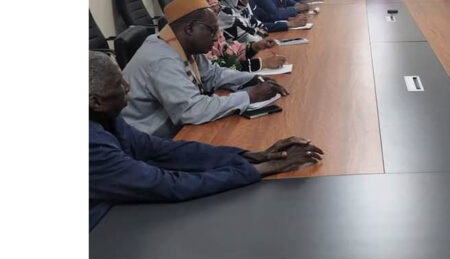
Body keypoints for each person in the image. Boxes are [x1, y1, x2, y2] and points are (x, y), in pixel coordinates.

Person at [89, 51, 323, 230]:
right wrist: (262, 169)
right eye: (118, 84)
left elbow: (163, 150)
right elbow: (166, 185)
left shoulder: (108, 119)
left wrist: (248, 155)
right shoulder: (91, 146)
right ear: (96, 102)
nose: (128, 86)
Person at [121, 0, 289, 138]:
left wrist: (251, 79)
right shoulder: (162, 60)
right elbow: (192, 110)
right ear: (189, 29)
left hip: (175, 126)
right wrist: (249, 96)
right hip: (152, 137)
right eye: (212, 31)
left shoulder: (179, 42)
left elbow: (212, 74)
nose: (216, 38)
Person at [186, 0, 286, 72]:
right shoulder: (197, 41)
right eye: (211, 12)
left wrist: (255, 46)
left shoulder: (215, 29)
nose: (216, 17)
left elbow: (228, 51)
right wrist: (262, 63)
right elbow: (216, 70)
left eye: (217, 11)